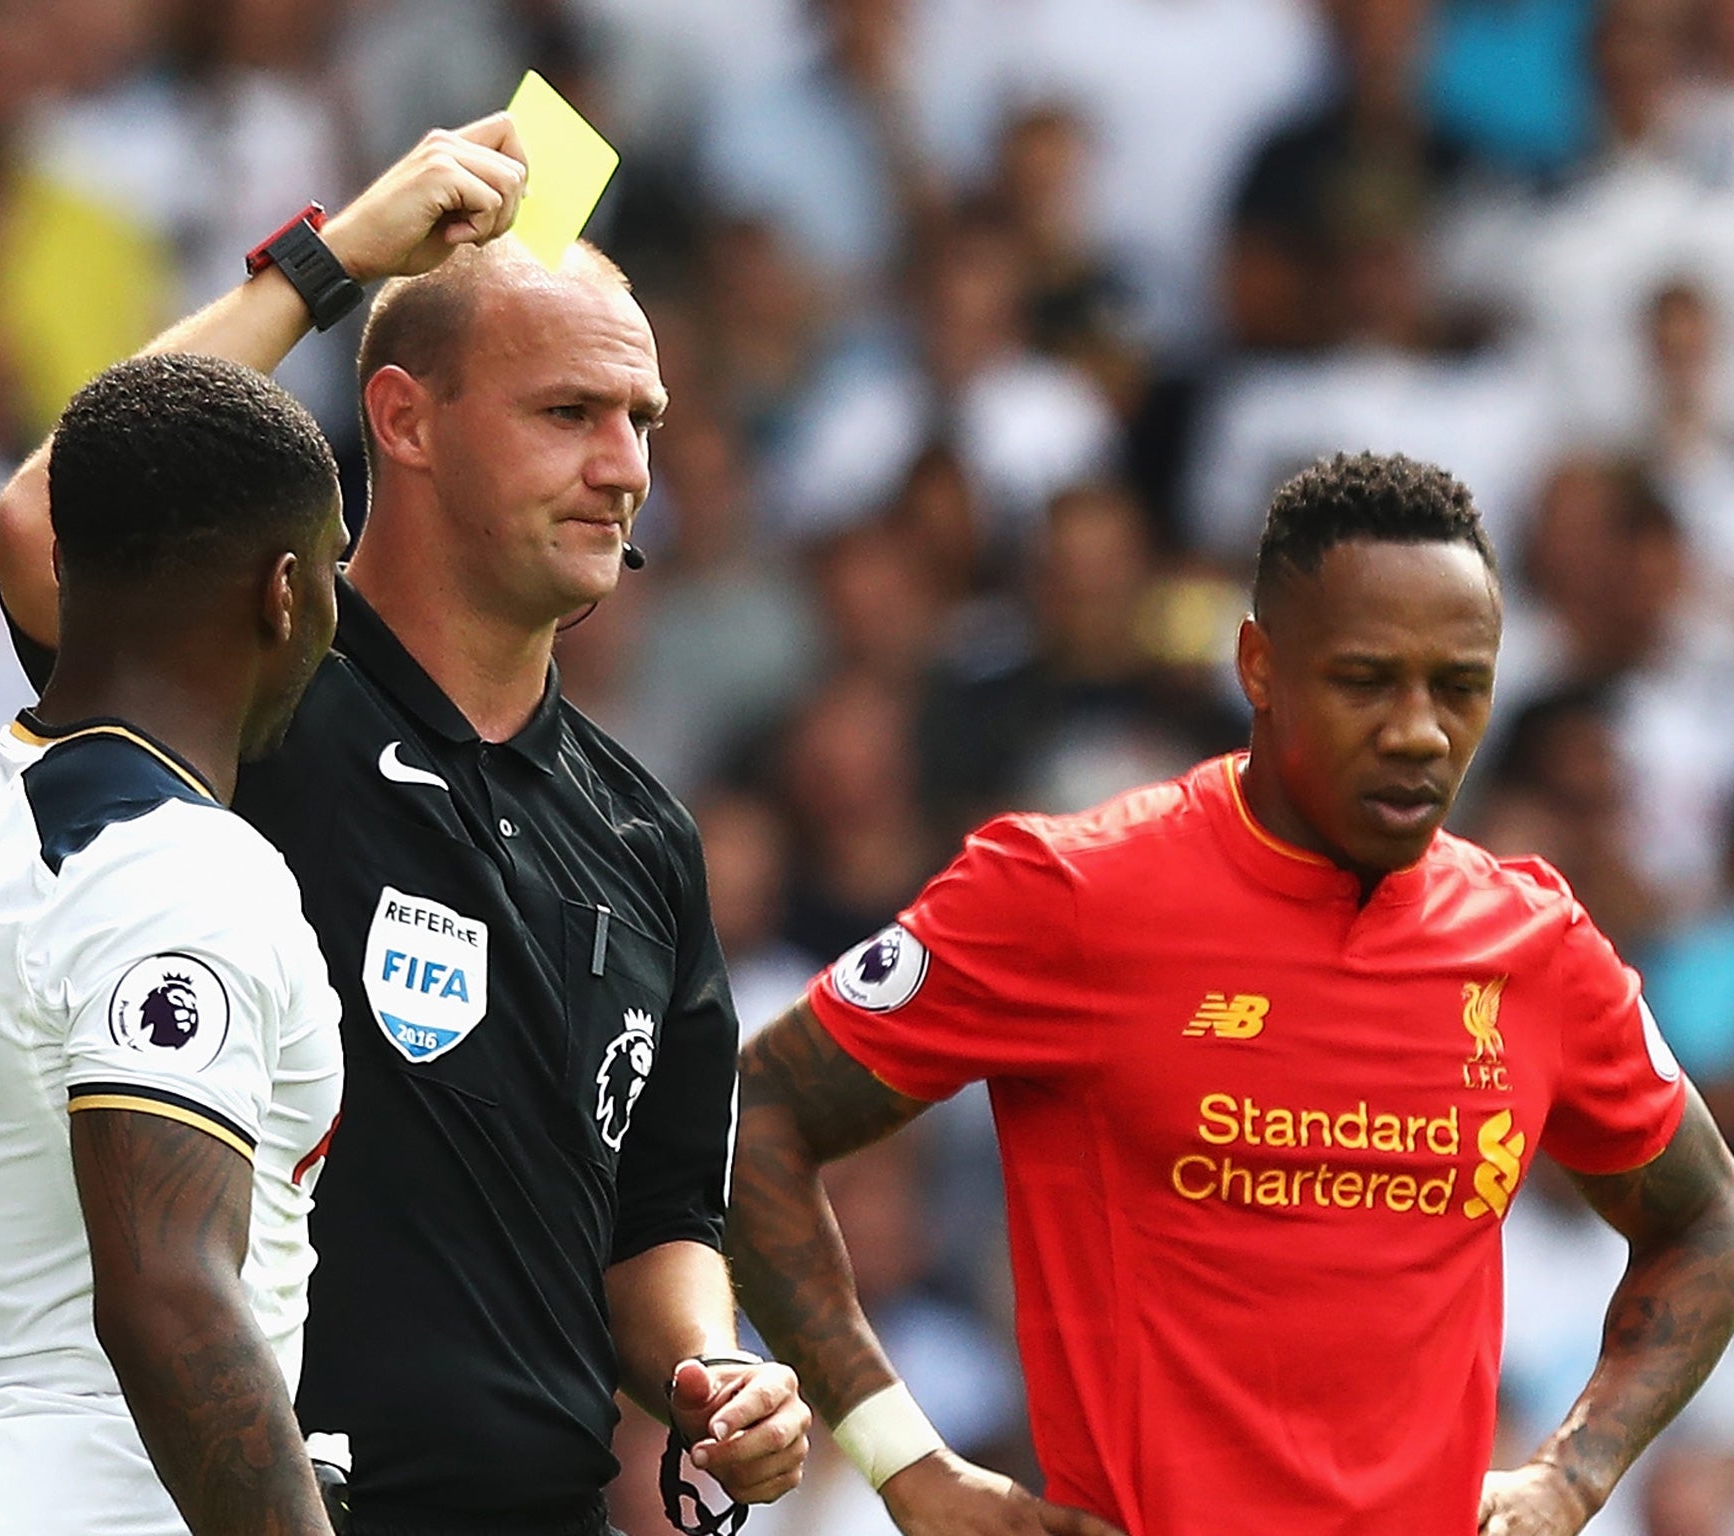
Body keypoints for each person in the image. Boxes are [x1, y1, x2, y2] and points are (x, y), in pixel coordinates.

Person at [0, 116, 810, 1535]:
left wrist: (716, 1369)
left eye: (643, 422)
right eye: (570, 414)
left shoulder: (645, 836)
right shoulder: (254, 683)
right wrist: (333, 258)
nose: (625, 467)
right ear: (404, 419)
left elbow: (663, 1220)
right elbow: (41, 521)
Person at [726, 451, 1734, 1536]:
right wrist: (904, 1464)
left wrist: (1571, 1477)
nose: (1417, 731)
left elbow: (1704, 1217)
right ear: (1257, 664)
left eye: (1457, 686)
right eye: (1364, 680)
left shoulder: (1533, 947)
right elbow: (754, 1118)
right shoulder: (1067, 894)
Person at [0, 352, 349, 1535]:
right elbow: (170, 1300)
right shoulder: (178, 870)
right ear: (282, 590)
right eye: (331, 573)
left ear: (63, 565)